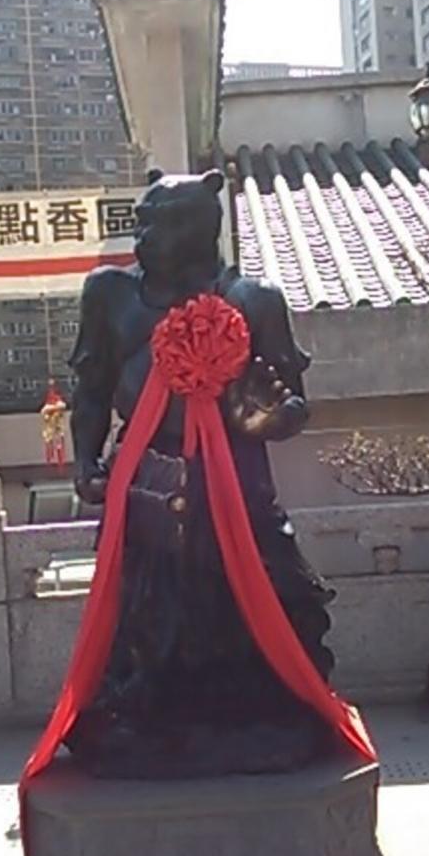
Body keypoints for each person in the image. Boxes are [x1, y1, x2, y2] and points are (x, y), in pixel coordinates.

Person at [64, 168, 339, 777]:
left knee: (262, 599)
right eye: (141, 223)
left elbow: (293, 405)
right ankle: (146, 715)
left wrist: (271, 418)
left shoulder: (254, 299)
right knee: (146, 612)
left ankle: (259, 712)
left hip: (235, 480)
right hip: (147, 477)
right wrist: (85, 460)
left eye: (158, 225)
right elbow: (92, 387)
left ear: (198, 228)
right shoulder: (111, 294)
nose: (142, 237)